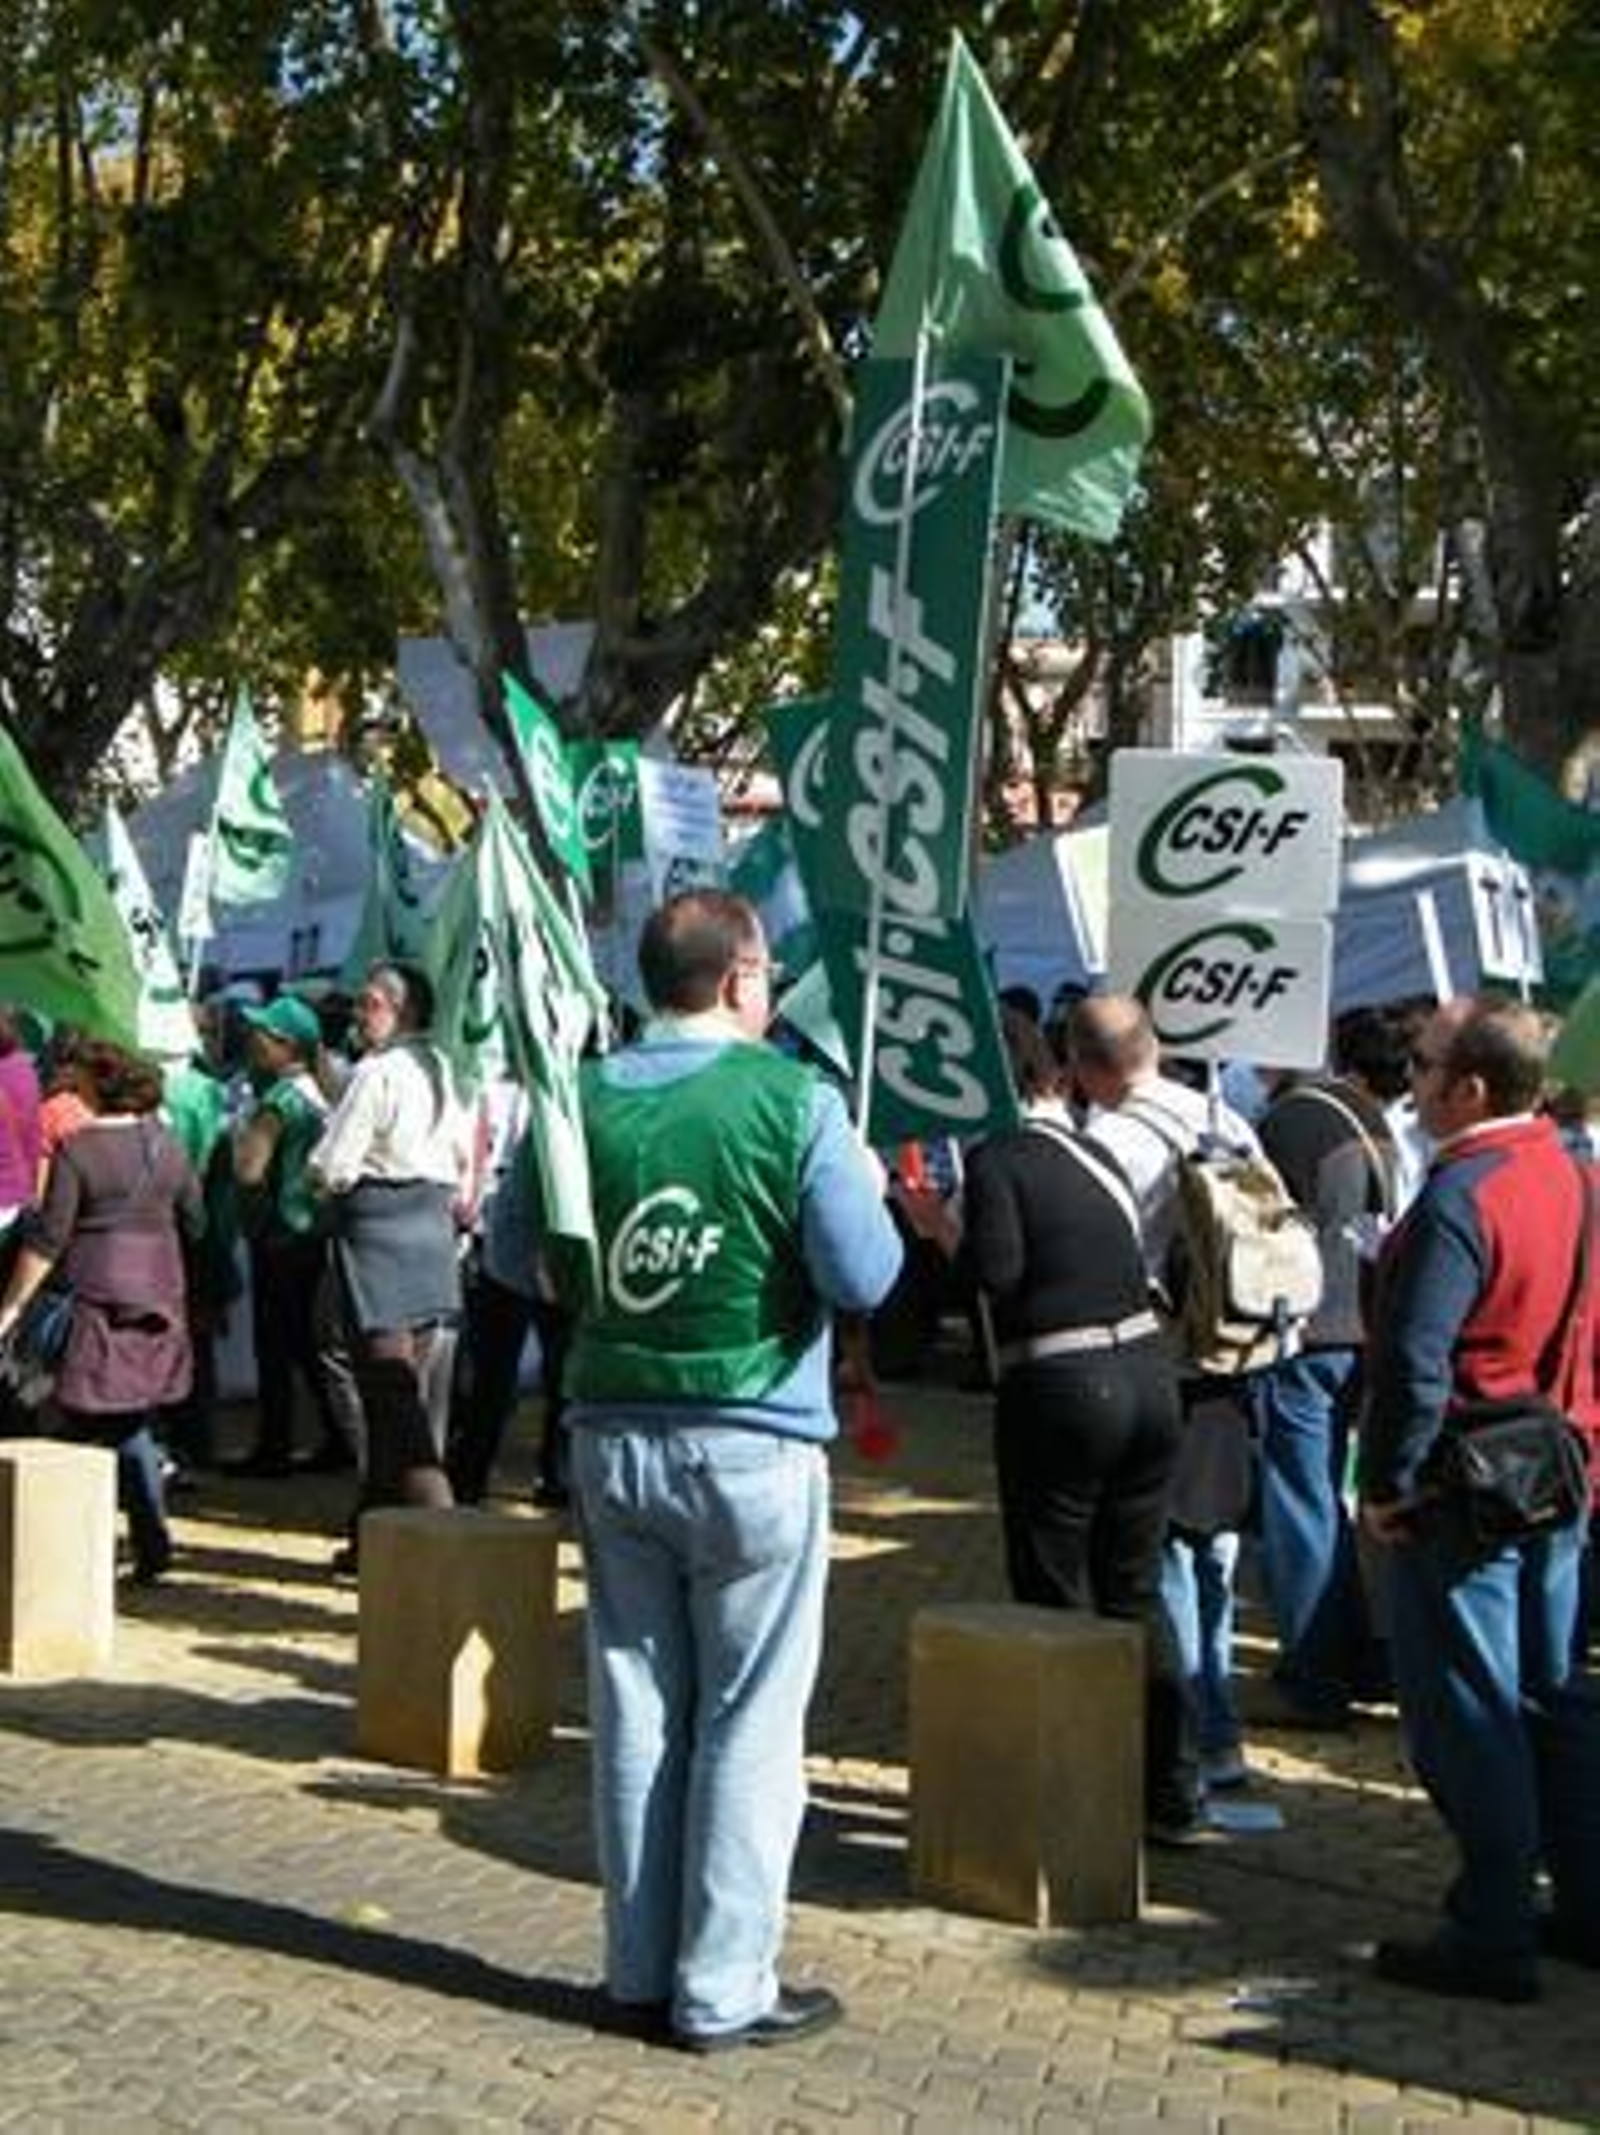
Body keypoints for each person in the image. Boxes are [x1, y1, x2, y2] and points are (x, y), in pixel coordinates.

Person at [565, 891, 901, 2052]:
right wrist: (865, 1184)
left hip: (611, 1428)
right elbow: (864, 1276)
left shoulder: (578, 1092)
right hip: (753, 1435)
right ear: (742, 976)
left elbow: (516, 1253)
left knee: (635, 1707)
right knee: (748, 1715)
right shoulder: (795, 1097)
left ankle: (636, 1969)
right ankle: (722, 1986)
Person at [1360, 996, 1599, 2000]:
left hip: (1471, 1484)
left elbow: (1416, 1362)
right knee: (1551, 1694)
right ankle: (1581, 1906)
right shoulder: (1572, 1167)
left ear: (1467, 1086)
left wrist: (1387, 1485)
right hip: (1561, 1464)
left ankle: (1491, 1928)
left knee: (1474, 1712)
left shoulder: (1465, 1192)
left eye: (1422, 1065)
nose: (1409, 1080)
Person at [959, 1009, 1197, 1840]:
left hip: (1062, 1384)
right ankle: (1169, 1785)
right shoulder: (1096, 1151)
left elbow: (996, 1273)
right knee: (1135, 1590)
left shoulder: (999, 1158)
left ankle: (1077, 1794)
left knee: (1055, 1589)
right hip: (1148, 1376)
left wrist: (940, 1231)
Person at [0, 1039, 201, 1582]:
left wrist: (12, 1306)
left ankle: (60, 1544)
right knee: (127, 1415)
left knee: (77, 1414)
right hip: (159, 1294)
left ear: (96, 1085)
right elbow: (196, 1217)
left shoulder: (79, 1150)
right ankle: (150, 1541)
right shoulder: (169, 1145)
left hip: (95, 1294)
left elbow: (48, 1239)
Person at [1252, 1035, 1398, 1725]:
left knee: (1300, 1507)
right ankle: (1359, 1657)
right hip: (1361, 1327)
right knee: (1327, 1504)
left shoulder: (1290, 1121)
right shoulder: (1362, 1111)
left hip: (1306, 1334)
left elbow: (1256, 1233)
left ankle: (1314, 1676)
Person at [309, 963, 471, 1534]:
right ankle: (370, 1532)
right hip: (432, 1233)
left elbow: (333, 1164)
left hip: (380, 1234)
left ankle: (446, 1529)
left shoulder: (376, 1072)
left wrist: (316, 1181)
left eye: (371, 1003)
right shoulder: (443, 1067)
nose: (359, 1013)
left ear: (405, 1012)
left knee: (394, 1396)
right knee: (396, 1396)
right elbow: (463, 1154)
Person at [231, 993, 356, 1476]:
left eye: (261, 1033)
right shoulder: (322, 1094)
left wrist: (236, 1144)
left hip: (280, 1235)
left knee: (275, 1347)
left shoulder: (280, 1100)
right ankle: (337, 1436)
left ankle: (274, 1447)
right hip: (313, 1233)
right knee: (306, 1344)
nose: (251, 1039)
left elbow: (249, 1171)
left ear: (287, 1045)